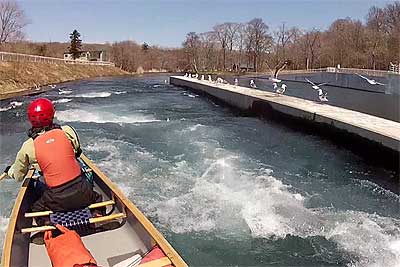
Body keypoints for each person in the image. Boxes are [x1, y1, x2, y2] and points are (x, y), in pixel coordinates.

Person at [3, 98, 102, 216]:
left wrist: (10, 171)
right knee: (96, 196)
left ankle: (45, 220)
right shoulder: (67, 130)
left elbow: (19, 176)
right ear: (52, 114)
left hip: (56, 200)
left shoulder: (28, 146)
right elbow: (77, 153)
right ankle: (97, 212)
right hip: (83, 193)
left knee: (36, 207)